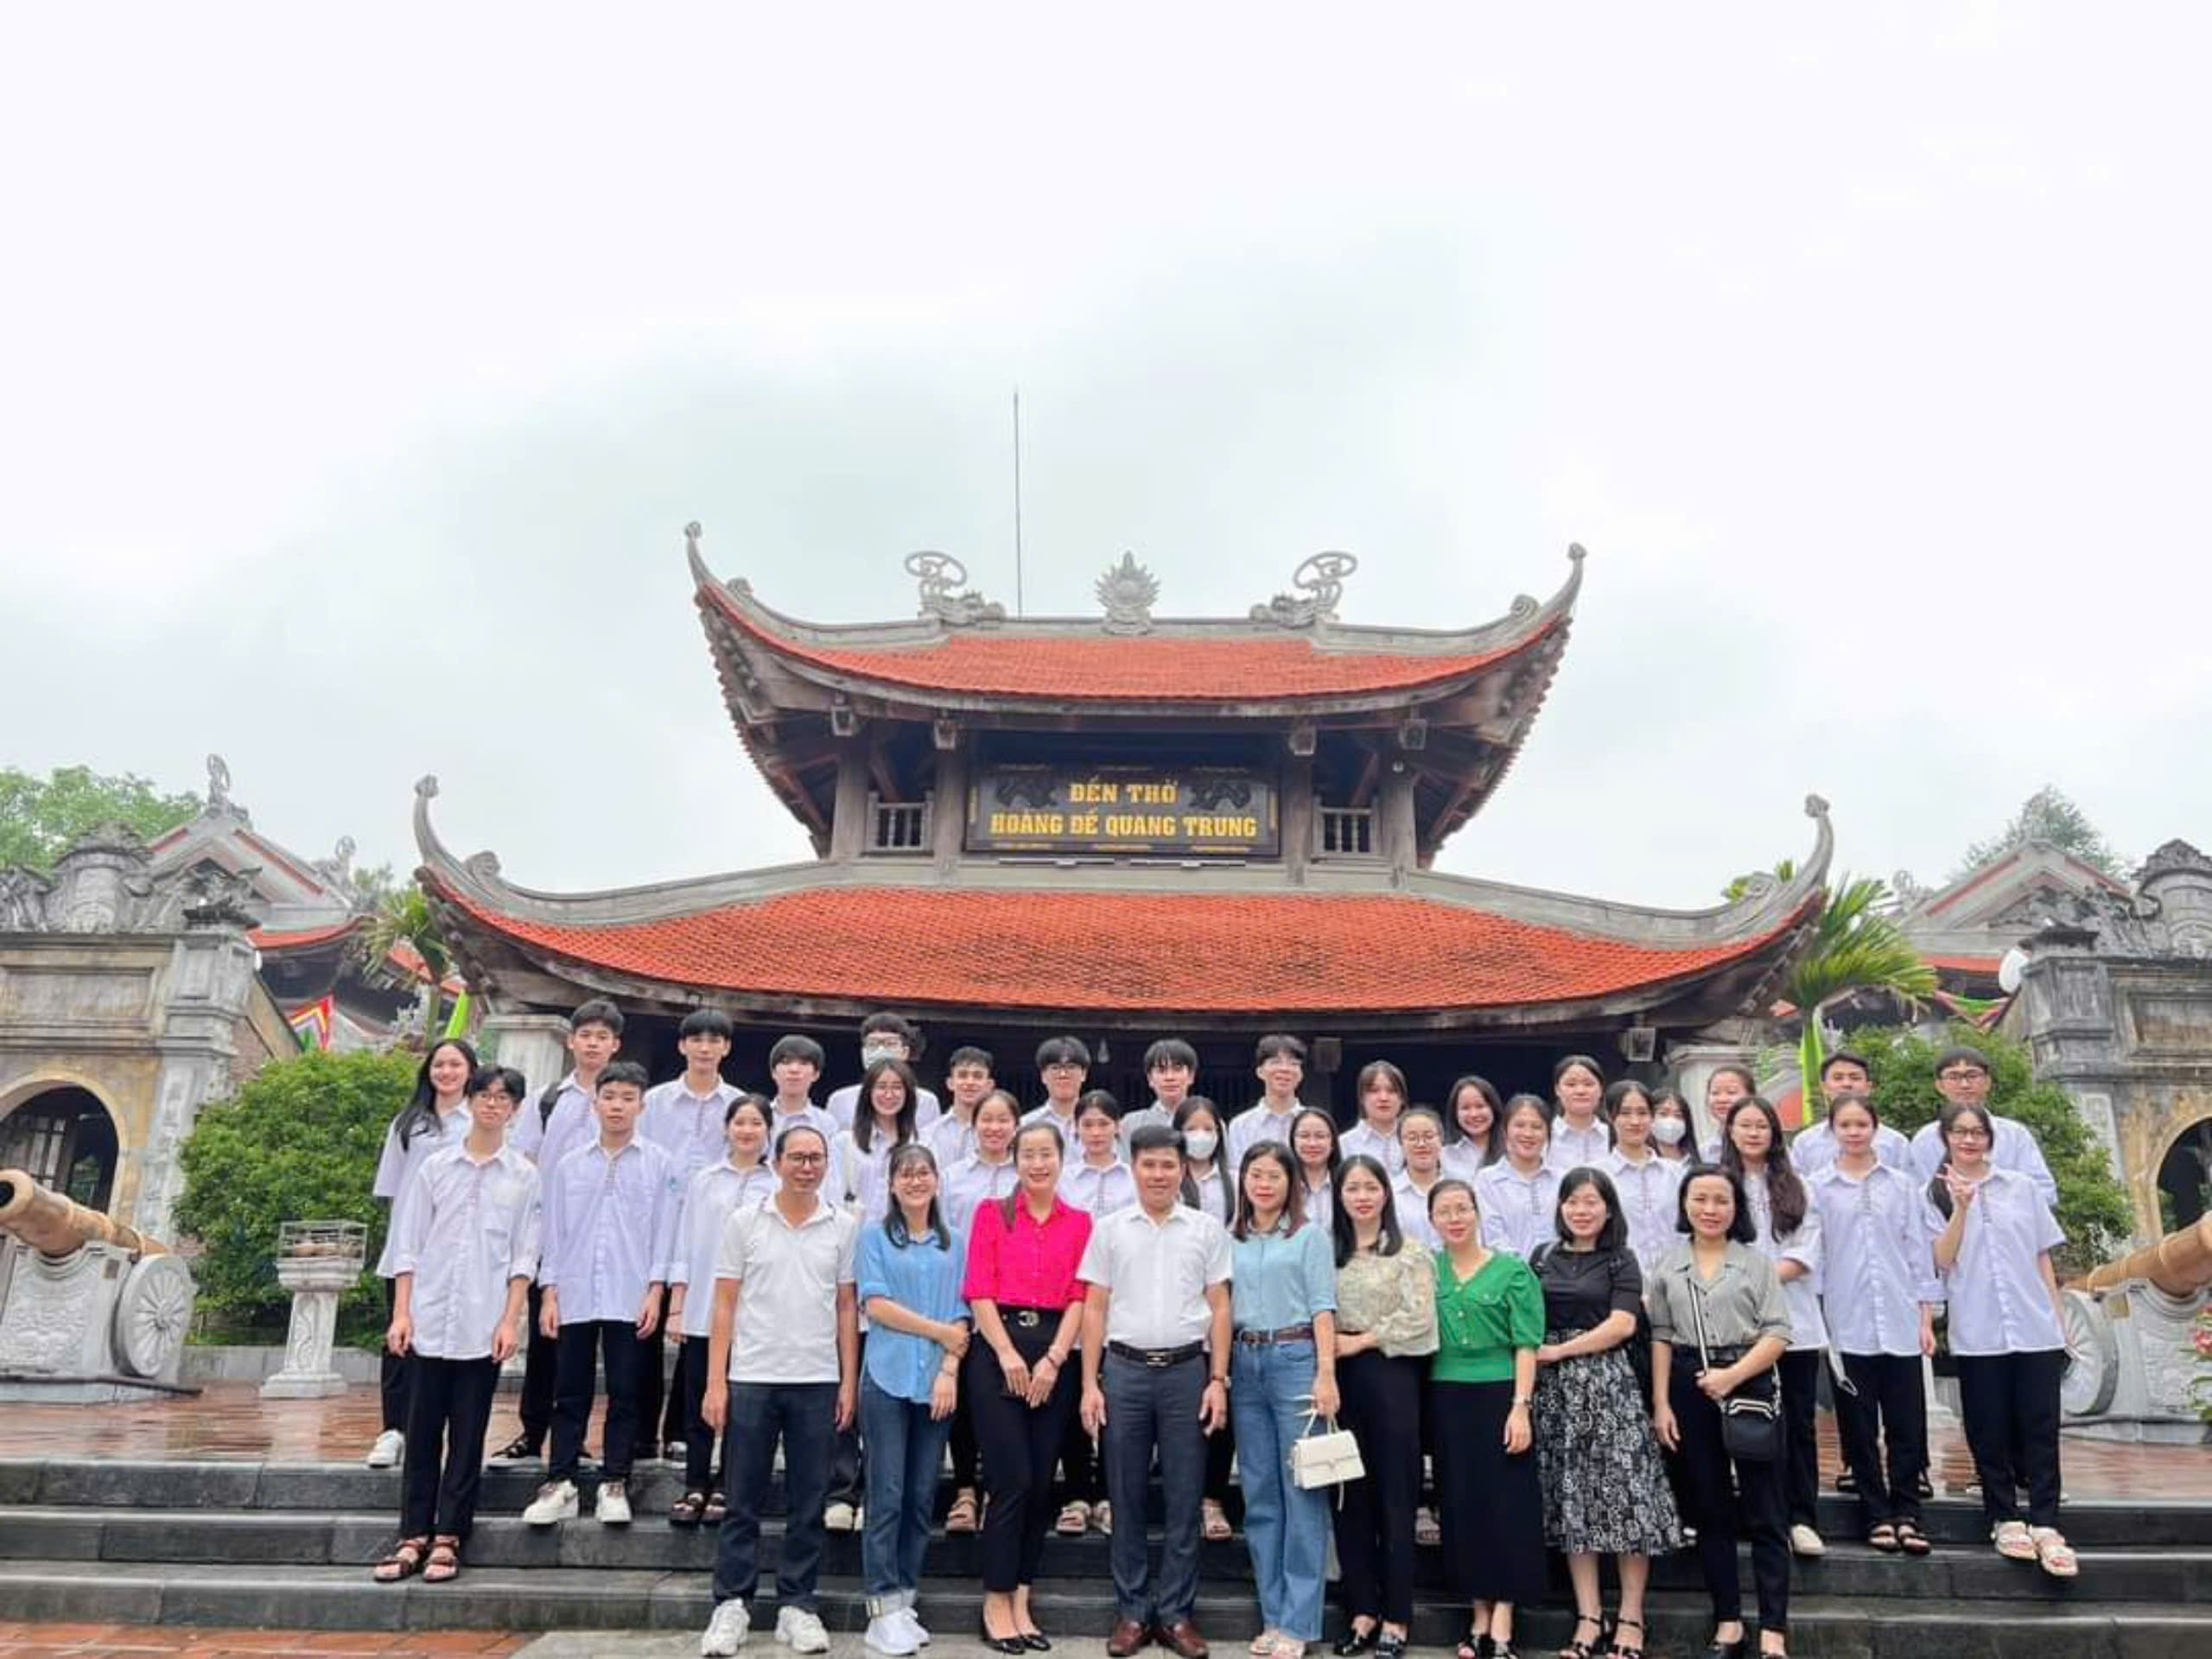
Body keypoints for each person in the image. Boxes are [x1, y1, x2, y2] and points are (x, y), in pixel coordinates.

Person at [698, 1123, 861, 1658]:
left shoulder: (842, 1227)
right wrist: (716, 1380)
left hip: (817, 1377)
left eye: (816, 1159)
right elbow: (725, 1303)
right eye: (797, 1158)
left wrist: (848, 1380)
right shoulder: (746, 1221)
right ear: (777, 1163)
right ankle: (732, 1603)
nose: (807, 1167)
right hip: (752, 1375)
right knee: (741, 1498)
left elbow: (846, 1307)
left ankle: (798, 1603)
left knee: (809, 1500)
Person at [373, 1063, 537, 1586]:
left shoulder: (523, 1176)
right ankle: (411, 1534)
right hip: (428, 1317)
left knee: (468, 1435)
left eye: (504, 1098)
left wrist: (510, 1321)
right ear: (470, 1101)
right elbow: (409, 1245)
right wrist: (402, 1312)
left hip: (481, 1323)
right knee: (421, 1433)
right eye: (485, 1095)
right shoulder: (436, 1168)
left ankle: (449, 1535)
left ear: (515, 1110)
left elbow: (523, 1258)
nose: (493, 1104)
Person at [1079, 1123, 1234, 1659]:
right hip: (1124, 1372)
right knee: (1124, 1494)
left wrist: (1218, 1379)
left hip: (1187, 1373)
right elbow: (1095, 1308)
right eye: (1149, 1164)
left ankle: (1175, 1614)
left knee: (1184, 1496)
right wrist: (1090, 1383)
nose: (1159, 1174)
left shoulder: (1206, 1229)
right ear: (1134, 1168)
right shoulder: (1110, 1230)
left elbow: (1220, 1307)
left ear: (1183, 1169)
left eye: (1169, 1165)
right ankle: (1131, 1612)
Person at [523, 1060, 683, 1530]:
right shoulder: (570, 1164)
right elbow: (553, 1231)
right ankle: (561, 1480)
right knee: (568, 1390)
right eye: (610, 1097)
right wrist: (549, 1292)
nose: (617, 1107)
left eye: (627, 1099)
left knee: (626, 1390)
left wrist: (656, 1291)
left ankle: (615, 1480)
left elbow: (665, 1232)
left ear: (641, 1106)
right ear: (596, 1103)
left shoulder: (660, 1163)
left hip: (631, 1292)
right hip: (574, 1290)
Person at [1530, 1168, 1681, 1659]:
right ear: (1560, 1207)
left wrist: (1559, 1351)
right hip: (1555, 1397)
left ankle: (1632, 1616)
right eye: (1573, 1201)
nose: (1581, 1210)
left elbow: (1622, 1325)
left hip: (1608, 1387)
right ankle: (1589, 1616)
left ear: (1609, 1209)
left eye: (1591, 1201)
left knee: (1627, 1498)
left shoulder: (1621, 1259)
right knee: (1573, 1501)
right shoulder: (1541, 1257)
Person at [1924, 1100, 2077, 1579]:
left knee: (2040, 1425)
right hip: (1979, 1328)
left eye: (1978, 1132)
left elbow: (2042, 1255)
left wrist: (2057, 1317)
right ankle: (2004, 1515)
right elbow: (1942, 1259)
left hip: (2033, 1325)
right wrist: (1961, 1208)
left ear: (1990, 1138)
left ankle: (2047, 1521)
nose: (1969, 1140)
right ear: (1946, 1138)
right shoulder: (1934, 1192)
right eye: (1960, 1132)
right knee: (1987, 1426)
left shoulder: (2022, 1187)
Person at [1649, 1166, 1795, 1659]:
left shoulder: (1755, 1264)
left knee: (1765, 1508)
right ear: (1684, 1205)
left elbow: (1778, 1332)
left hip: (1748, 1380)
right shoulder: (1668, 1266)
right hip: (1689, 1386)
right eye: (1700, 1199)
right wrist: (1662, 1403)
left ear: (1737, 1208)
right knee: (1710, 1508)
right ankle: (1728, 1621)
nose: (1710, 1209)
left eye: (1721, 1200)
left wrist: (1732, 1377)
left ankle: (1773, 1627)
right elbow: (1661, 1336)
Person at [965, 1120, 1092, 1653]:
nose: (1037, 1164)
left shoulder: (1080, 1222)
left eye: (1047, 1155)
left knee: (1042, 1483)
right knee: (1011, 1478)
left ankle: (1022, 1595)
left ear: (1062, 1160)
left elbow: (1082, 1296)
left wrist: (1055, 1358)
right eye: (1028, 1155)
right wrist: (1007, 1353)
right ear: (1014, 1161)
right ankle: (995, 1599)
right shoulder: (991, 1213)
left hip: (1055, 1357)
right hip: (999, 1352)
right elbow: (978, 1289)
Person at [1806, 1093, 1938, 1556]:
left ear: (1875, 1128)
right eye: (1845, 1125)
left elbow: (1919, 1253)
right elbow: (1816, 1258)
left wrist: (1926, 1317)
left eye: (1862, 1124)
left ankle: (1908, 1512)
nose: (1854, 1132)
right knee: (1858, 1427)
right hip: (1847, 1322)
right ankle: (1875, 1513)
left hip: (1900, 1319)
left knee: (1907, 1424)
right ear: (1833, 1130)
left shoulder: (1901, 1186)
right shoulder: (1817, 1188)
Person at [1227, 1141, 1339, 1659]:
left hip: (1295, 1358)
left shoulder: (1308, 1236)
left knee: (1303, 1492)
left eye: (1274, 1175)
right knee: (1260, 1495)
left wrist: (1326, 1373)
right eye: (1255, 1174)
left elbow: (1323, 1308)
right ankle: (1272, 1615)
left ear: (1291, 1183)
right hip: (1244, 1361)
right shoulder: (1231, 1238)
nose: (1263, 1184)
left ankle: (1298, 1623)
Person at [498, 997, 622, 1464]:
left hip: (606, 1240)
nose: (593, 1044)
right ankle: (532, 1431)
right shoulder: (547, 1101)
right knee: (544, 1342)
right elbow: (525, 1163)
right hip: (553, 1237)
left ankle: (575, 1438)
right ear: (571, 1042)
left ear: (615, 1045)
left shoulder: (622, 1101)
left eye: (602, 1037)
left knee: (586, 1346)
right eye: (585, 1035)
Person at [856, 1145, 969, 1656]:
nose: (916, 1181)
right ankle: (881, 1607)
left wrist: (949, 1368)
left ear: (937, 1181)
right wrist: (939, 1333)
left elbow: (964, 1312)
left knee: (922, 1496)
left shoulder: (955, 1243)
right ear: (892, 1184)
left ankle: (905, 1599)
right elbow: (877, 1305)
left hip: (936, 1385)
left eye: (923, 1173)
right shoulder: (873, 1237)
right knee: (887, 1494)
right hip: (886, 1377)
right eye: (906, 1174)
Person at [1426, 1178, 1543, 1659]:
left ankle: (1504, 1614)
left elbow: (1527, 1344)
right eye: (1444, 1211)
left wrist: (1521, 1405)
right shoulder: (1427, 1270)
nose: (1454, 1219)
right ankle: (1477, 1610)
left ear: (1477, 1213)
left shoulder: (1512, 1270)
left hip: (1500, 1394)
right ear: (1432, 1220)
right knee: (1462, 1503)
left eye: (1462, 1209)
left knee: (1507, 1504)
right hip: (1446, 1394)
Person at [1328, 1154, 1437, 1659]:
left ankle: (1396, 1614)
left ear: (1386, 1194)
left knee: (1395, 1494)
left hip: (1391, 1374)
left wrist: (1362, 1341)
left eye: (1371, 1187)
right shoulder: (1326, 1251)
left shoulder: (1410, 1253)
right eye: (1352, 1188)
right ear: (1339, 1196)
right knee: (1349, 1495)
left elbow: (1420, 1320)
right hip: (1337, 1379)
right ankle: (1362, 1610)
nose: (1362, 1197)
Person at [1719, 1095, 1827, 1558]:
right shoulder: (1717, 1183)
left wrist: (1753, 1280)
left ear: (1774, 1134)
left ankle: (1801, 1517)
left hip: (1794, 1322)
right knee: (1749, 1419)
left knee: (1797, 1423)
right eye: (1744, 1125)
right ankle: (1762, 1515)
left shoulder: (1799, 1186)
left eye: (1761, 1126)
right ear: (1730, 1131)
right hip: (1737, 1325)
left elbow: (1805, 1253)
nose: (1753, 1133)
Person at [664, 1095, 778, 1528]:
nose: (747, 1131)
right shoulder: (705, 1181)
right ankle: (695, 1483)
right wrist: (678, 1306)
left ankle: (729, 1483)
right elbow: (685, 1241)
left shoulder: (777, 1183)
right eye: (740, 1122)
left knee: (743, 1403)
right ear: (727, 1128)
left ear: (768, 1131)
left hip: (755, 1313)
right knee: (698, 1397)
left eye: (756, 1123)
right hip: (704, 1307)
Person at [367, 1037, 477, 1468]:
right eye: (439, 1065)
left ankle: (431, 1431)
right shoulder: (408, 1124)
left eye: (455, 1065)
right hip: (409, 1249)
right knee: (400, 1340)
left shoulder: (477, 1122)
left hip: (459, 1250)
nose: (446, 1072)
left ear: (470, 1071)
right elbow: (393, 1189)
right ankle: (393, 1429)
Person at [639, 1009, 741, 1463]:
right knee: (645, 1329)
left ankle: (682, 1429)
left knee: (698, 1331)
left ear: (726, 1048)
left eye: (714, 1040)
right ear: (682, 1046)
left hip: (708, 1230)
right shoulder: (656, 1102)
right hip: (655, 1221)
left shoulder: (736, 1104)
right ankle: (642, 1435)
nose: (705, 1047)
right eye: (696, 1039)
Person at [939, 1088, 1024, 1536]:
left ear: (1016, 1125)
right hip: (961, 1295)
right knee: (965, 1397)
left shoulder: (1028, 1174)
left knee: (999, 1403)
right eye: (986, 1120)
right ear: (974, 1127)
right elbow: (943, 1233)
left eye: (1002, 1120)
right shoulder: (953, 1177)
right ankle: (965, 1489)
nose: (994, 1128)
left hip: (1009, 1302)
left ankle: (997, 1488)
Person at [1176, 1096, 1236, 1541]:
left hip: (1225, 1299)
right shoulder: (1167, 1178)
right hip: (1177, 1303)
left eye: (1208, 1128)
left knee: (1220, 1398)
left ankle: (1212, 1497)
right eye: (1191, 1128)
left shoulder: (1234, 1181)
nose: (1200, 1136)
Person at [1907, 1046, 2059, 1209]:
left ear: (1987, 1082)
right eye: (1954, 1077)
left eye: (1972, 1076)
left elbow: (2045, 1192)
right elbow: (1919, 1200)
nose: (1964, 1084)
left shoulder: (2015, 1135)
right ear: (1940, 1086)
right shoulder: (1926, 1140)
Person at [1605, 1080, 1686, 1274]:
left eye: (1642, 1113)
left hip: (1676, 1279)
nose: (1635, 1122)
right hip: (1621, 1281)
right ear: (1610, 1116)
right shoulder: (1599, 1175)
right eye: (1625, 1113)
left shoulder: (1677, 1173)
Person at [1787, 1051, 1909, 1176]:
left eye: (1855, 1078)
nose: (1846, 1084)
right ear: (1824, 1087)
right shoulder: (1805, 1143)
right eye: (1838, 1078)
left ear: (1868, 1087)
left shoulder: (1895, 1143)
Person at [1472, 1096, 1560, 1261]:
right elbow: (1493, 1238)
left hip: (1559, 1272)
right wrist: (1522, 1270)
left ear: (1548, 1134)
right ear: (1505, 1132)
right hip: (1509, 1272)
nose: (1528, 1134)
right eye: (1519, 1125)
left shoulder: (1561, 1179)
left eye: (1536, 1127)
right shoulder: (1486, 1180)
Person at [829, 1013, 942, 1133]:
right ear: (863, 1052)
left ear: (905, 1052)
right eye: (873, 1044)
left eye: (890, 1044)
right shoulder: (840, 1101)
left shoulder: (926, 1102)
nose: (880, 1051)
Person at [1228, 1033, 1309, 1167]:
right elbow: (1236, 1172)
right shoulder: (1241, 1126)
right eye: (1275, 1062)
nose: (1284, 1069)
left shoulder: (1314, 1123)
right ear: (1260, 1072)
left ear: (1301, 1074)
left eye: (1293, 1064)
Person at [1061, 1090, 1137, 1218]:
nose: (1096, 1133)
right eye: (1087, 1125)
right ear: (1076, 1127)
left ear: (1117, 1126)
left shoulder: (1134, 1178)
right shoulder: (1063, 1180)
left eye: (1103, 1124)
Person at [927, 1046, 997, 1173]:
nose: (970, 1082)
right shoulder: (930, 1133)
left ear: (989, 1085)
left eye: (977, 1076)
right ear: (950, 1083)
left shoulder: (1000, 1133)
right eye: (962, 1075)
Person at [1122, 1037, 1200, 1148]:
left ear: (1191, 1076)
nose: (1169, 1077)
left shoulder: (1209, 1123)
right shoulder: (1131, 1123)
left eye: (1177, 1069)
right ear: (1150, 1079)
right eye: (1161, 1070)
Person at [1391, 1107, 1448, 1250]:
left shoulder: (1460, 1189)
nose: (1421, 1144)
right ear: (1400, 1144)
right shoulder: (1389, 1193)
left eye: (1429, 1136)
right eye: (1412, 1138)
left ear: (1441, 1140)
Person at [1340, 1060, 1409, 1174]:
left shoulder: (1417, 1141)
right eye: (1374, 1091)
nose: (1383, 1098)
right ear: (1362, 1098)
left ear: (1402, 1098)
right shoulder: (1344, 1144)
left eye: (1392, 1091)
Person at [1546, 1055, 1613, 1173]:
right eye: (1571, 1084)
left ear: (1601, 1089)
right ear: (1557, 1090)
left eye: (1588, 1084)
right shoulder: (1544, 1136)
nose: (1580, 1091)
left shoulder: (1614, 1135)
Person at [1026, 1034, 1091, 1138]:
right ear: (1043, 1076)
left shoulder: (1100, 1123)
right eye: (1055, 1068)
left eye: (1071, 1067)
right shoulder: (1027, 1124)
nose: (1063, 1074)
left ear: (1084, 1074)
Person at [1440, 1075, 1503, 1179]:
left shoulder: (1512, 1150)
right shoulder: (1443, 1155)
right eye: (1465, 1108)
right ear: (1455, 1113)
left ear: (1493, 1108)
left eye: (1480, 1106)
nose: (1473, 1114)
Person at [1291, 1108, 1341, 1229]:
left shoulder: (1345, 1185)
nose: (1312, 1144)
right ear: (1293, 1142)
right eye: (1304, 1136)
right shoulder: (1284, 1186)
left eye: (1320, 1136)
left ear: (1333, 1143)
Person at [1700, 1065, 1757, 1163]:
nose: (1722, 1099)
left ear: (1751, 1096)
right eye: (1715, 1093)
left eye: (1731, 1092)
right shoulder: (1705, 1153)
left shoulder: (1765, 1144)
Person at [1648, 1086, 1694, 1166]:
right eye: (1663, 1114)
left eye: (1678, 1115)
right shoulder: (1644, 1160)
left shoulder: (1695, 1159)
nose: (1671, 1120)